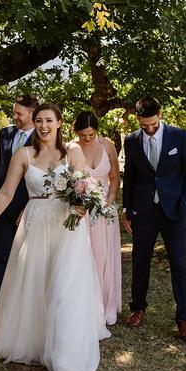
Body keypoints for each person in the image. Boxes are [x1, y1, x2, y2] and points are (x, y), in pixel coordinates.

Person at [0, 103, 111, 371]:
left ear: (59, 123)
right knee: (37, 281)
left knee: (64, 287)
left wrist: (83, 207)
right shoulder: (23, 154)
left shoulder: (72, 152)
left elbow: (85, 188)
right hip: (36, 222)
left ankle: (64, 359)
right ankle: (36, 340)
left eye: (49, 120)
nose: (43, 125)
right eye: (38, 120)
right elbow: (6, 192)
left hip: (68, 227)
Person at [121, 96, 186, 340]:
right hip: (143, 211)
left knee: (178, 263)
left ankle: (184, 319)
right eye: (145, 125)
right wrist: (127, 210)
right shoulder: (131, 140)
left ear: (161, 115)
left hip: (174, 211)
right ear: (138, 119)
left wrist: (185, 202)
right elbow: (130, 177)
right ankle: (138, 308)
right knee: (140, 260)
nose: (150, 129)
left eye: (153, 124)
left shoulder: (179, 136)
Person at [0, 94, 38, 318]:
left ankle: (23, 307)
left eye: (19, 113)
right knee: (2, 256)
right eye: (14, 112)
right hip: (3, 207)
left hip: (28, 209)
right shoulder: (5, 134)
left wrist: (28, 207)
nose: (14, 116)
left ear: (32, 113)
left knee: (27, 258)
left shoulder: (43, 138)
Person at [73, 111, 122, 325]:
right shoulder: (70, 148)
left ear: (97, 131)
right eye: (83, 135)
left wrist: (110, 199)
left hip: (104, 209)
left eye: (90, 134)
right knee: (84, 256)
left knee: (103, 255)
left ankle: (104, 306)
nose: (87, 138)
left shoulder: (107, 145)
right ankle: (83, 306)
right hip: (81, 211)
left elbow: (114, 177)